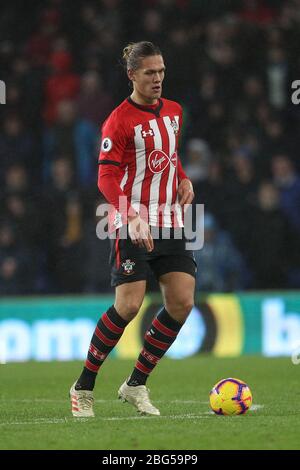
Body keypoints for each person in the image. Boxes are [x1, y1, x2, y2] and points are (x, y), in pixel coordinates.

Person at [70, 41, 196, 417]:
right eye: (149, 73)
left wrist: (184, 179)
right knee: (128, 305)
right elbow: (105, 176)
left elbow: (168, 158)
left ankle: (136, 384)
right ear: (132, 76)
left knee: (182, 302)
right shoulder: (118, 121)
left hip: (170, 219)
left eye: (161, 71)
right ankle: (83, 386)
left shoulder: (174, 112)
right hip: (131, 220)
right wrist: (131, 215)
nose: (157, 79)